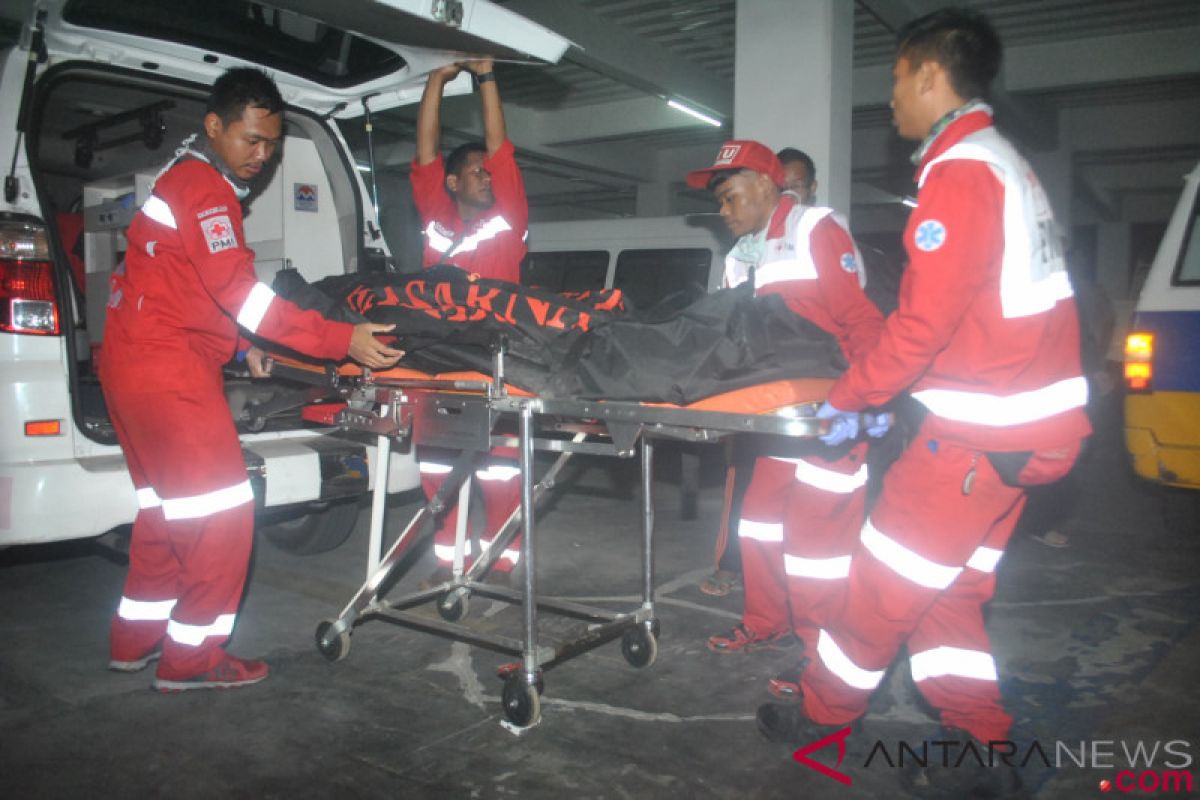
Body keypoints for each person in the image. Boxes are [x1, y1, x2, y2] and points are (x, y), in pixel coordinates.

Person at [755, 9, 1092, 796]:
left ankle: (822, 713)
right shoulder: (1009, 166)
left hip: (972, 440)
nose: (892, 97)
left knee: (878, 590)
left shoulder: (963, 172)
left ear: (929, 75)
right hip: (1021, 436)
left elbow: (920, 326)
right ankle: (981, 750)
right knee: (949, 595)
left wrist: (849, 399)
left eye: (896, 78)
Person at [101, 68, 403, 691]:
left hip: (132, 365)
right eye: (251, 141)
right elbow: (241, 294)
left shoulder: (182, 181)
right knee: (225, 516)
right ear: (215, 127)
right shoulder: (206, 191)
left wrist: (242, 348)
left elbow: (185, 289)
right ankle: (191, 660)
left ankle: (134, 642)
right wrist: (341, 338)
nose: (261, 158)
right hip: (169, 371)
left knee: (166, 517)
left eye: (270, 145)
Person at [685, 141, 886, 700]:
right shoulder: (738, 258)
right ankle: (765, 619)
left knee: (817, 547)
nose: (723, 212)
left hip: (835, 416)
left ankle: (822, 651)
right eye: (720, 202)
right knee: (760, 524)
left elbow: (860, 319)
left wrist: (860, 401)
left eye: (729, 198)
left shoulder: (815, 228)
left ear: (768, 186)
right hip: (778, 420)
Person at [410, 59, 529, 583]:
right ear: (453, 183)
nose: (488, 176)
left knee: (501, 471)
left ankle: (501, 562)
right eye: (476, 172)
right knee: (437, 468)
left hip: (496, 361)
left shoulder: (508, 220)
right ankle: (448, 563)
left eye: (490, 171)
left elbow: (502, 149)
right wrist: (436, 79)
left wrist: (485, 78)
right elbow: (426, 153)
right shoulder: (437, 221)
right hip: (438, 361)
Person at [698, 146, 820, 599]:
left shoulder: (818, 232)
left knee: (808, 507)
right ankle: (735, 567)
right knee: (748, 490)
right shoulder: (740, 254)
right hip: (757, 390)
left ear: (809, 188)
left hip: (811, 395)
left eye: (797, 185)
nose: (790, 192)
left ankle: (794, 589)